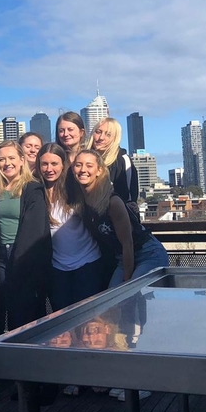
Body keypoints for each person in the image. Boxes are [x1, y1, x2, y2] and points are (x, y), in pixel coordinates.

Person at [73, 149, 169, 288]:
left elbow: (127, 244)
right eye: (78, 165)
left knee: (129, 294)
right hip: (122, 259)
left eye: (89, 165)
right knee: (112, 302)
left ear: (99, 171)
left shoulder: (112, 202)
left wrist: (126, 281)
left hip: (147, 254)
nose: (83, 170)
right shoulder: (81, 201)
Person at [0, 141, 50, 332]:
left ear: (22, 160)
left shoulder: (33, 189)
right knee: (1, 312)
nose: (7, 163)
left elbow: (33, 230)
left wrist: (18, 262)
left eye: (12, 158)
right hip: (0, 258)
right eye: (2, 159)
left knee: (23, 314)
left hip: (24, 258)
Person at [35, 143, 102, 313]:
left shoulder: (75, 189)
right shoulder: (35, 192)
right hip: (57, 268)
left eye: (54, 164)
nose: (49, 169)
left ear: (63, 165)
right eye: (44, 164)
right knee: (62, 322)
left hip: (87, 263)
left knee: (87, 319)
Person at [86, 117, 139, 204]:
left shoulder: (122, 160)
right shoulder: (83, 158)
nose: (101, 137)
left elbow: (129, 197)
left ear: (115, 138)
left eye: (108, 134)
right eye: (98, 132)